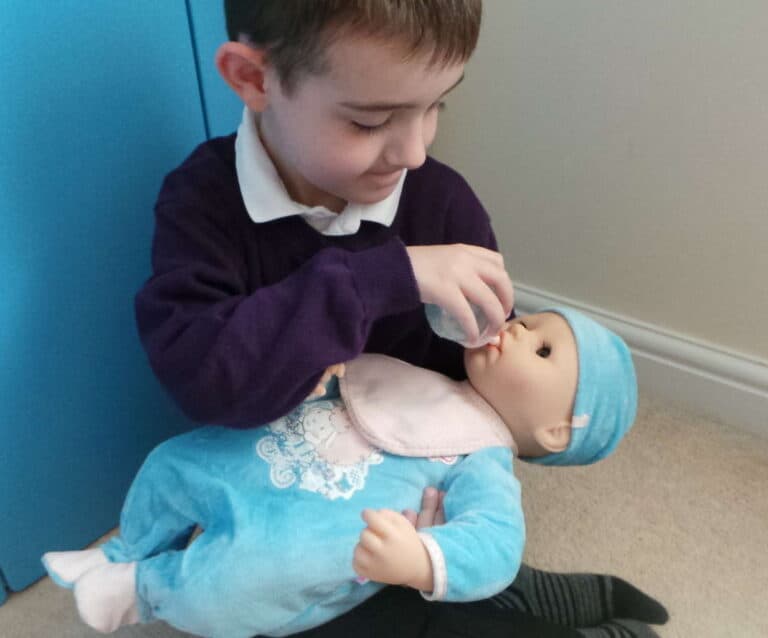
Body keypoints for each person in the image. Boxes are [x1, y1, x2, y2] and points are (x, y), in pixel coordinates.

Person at [120, 1, 667, 636]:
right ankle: (518, 595)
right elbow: (207, 380)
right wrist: (382, 277)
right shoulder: (203, 203)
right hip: (281, 498)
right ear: (254, 78)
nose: (414, 150)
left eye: (437, 106)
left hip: (395, 511)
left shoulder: (443, 204)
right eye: (370, 121)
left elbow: (487, 399)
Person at [43, 308, 640, 637]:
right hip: (271, 459)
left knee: (244, 579)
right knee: (175, 461)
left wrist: (420, 559)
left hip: (310, 544)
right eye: (534, 321)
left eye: (542, 350)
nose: (517, 327)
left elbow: (495, 544)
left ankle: (144, 590)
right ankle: (123, 550)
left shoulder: (483, 463)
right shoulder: (428, 376)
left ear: (557, 432)